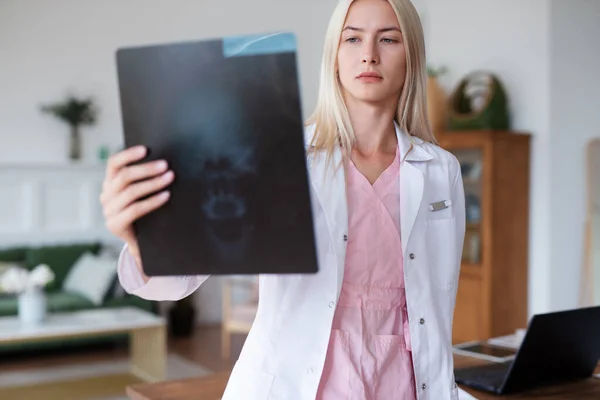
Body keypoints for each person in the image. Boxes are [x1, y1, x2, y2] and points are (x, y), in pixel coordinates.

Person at [100, 0, 466, 398]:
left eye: (389, 39)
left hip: (403, 386)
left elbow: (437, 303)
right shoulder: (279, 154)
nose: (369, 54)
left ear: (411, 55)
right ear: (334, 56)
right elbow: (182, 278)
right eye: (353, 38)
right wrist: (142, 243)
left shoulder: (440, 171)